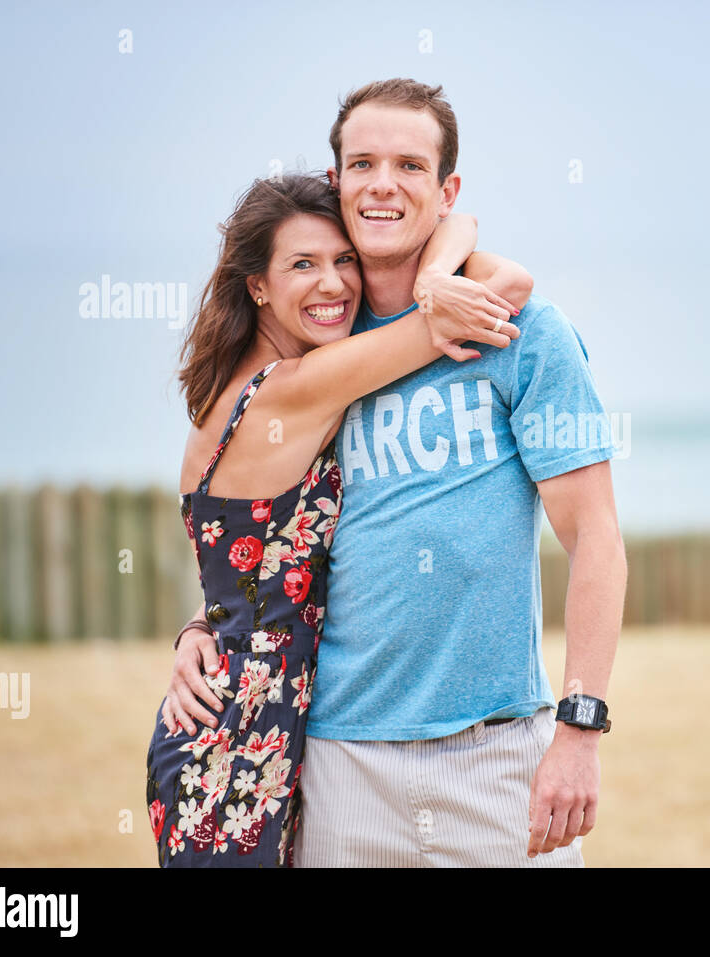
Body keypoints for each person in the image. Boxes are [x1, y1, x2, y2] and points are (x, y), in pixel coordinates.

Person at [168, 78, 627, 868]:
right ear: (338, 180)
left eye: (411, 166)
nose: (384, 184)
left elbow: (595, 536)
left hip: (498, 755)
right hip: (339, 762)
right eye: (364, 164)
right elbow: (262, 539)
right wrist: (206, 626)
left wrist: (579, 729)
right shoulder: (318, 357)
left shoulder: (525, 332)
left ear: (445, 191)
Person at [146, 171, 533, 867]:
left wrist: (196, 630)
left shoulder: (239, 391)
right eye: (303, 264)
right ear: (256, 286)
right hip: (239, 742)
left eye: (343, 260)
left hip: (275, 723)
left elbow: (242, 585)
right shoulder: (291, 390)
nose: (333, 284)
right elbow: (504, 287)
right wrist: (436, 283)